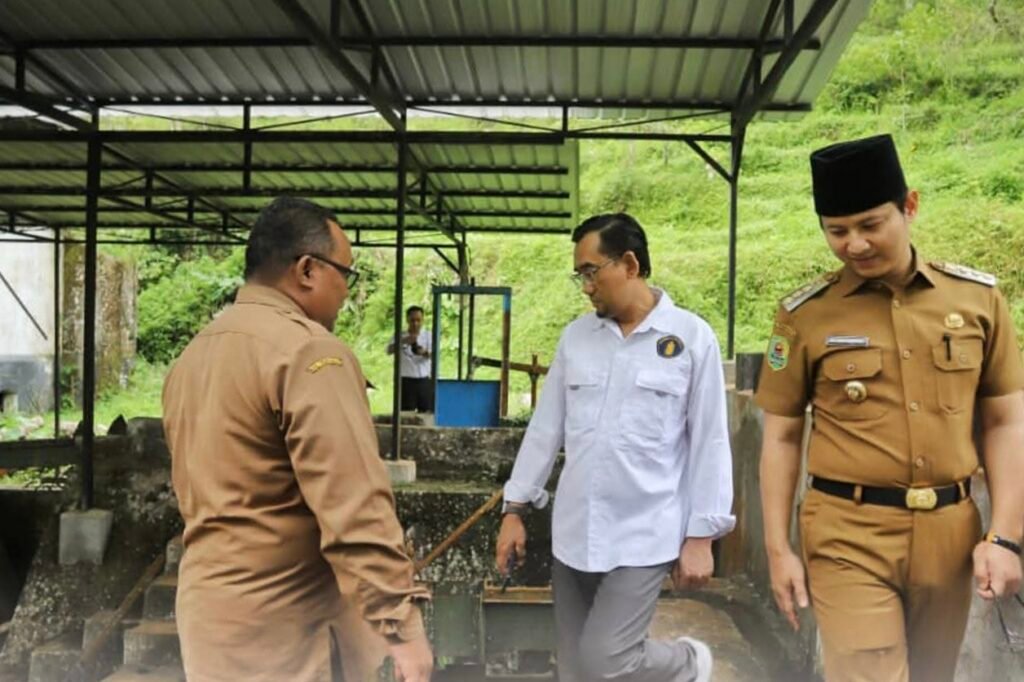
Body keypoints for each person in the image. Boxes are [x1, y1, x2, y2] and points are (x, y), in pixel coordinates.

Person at [756, 134, 1024, 682]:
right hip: (845, 531)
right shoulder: (804, 315)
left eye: (870, 225)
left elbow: (1006, 421)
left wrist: (1004, 536)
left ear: (910, 206)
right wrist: (777, 548)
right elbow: (781, 436)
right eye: (837, 231)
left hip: (951, 532)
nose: (853, 244)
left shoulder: (976, 301)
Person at [162, 197, 433, 682]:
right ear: (307, 269)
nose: (346, 292)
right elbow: (354, 506)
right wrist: (402, 627)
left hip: (210, 622)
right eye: (344, 274)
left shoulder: (194, 355)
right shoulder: (308, 351)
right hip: (290, 630)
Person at [495, 213, 734, 682]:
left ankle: (686, 663)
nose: (585, 287)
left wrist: (702, 535)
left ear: (629, 263)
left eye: (590, 272)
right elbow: (546, 430)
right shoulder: (576, 339)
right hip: (575, 529)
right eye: (579, 276)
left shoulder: (690, 339)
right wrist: (514, 509)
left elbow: (710, 441)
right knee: (575, 668)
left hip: (645, 533)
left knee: (608, 659)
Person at [386, 306, 434, 413]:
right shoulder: (400, 335)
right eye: (412, 320)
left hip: (424, 380)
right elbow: (389, 350)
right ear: (407, 320)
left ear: (422, 320)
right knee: (405, 413)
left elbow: (434, 355)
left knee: (426, 413)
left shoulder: (428, 335)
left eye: (418, 320)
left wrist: (424, 352)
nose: (415, 323)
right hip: (406, 380)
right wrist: (403, 341)